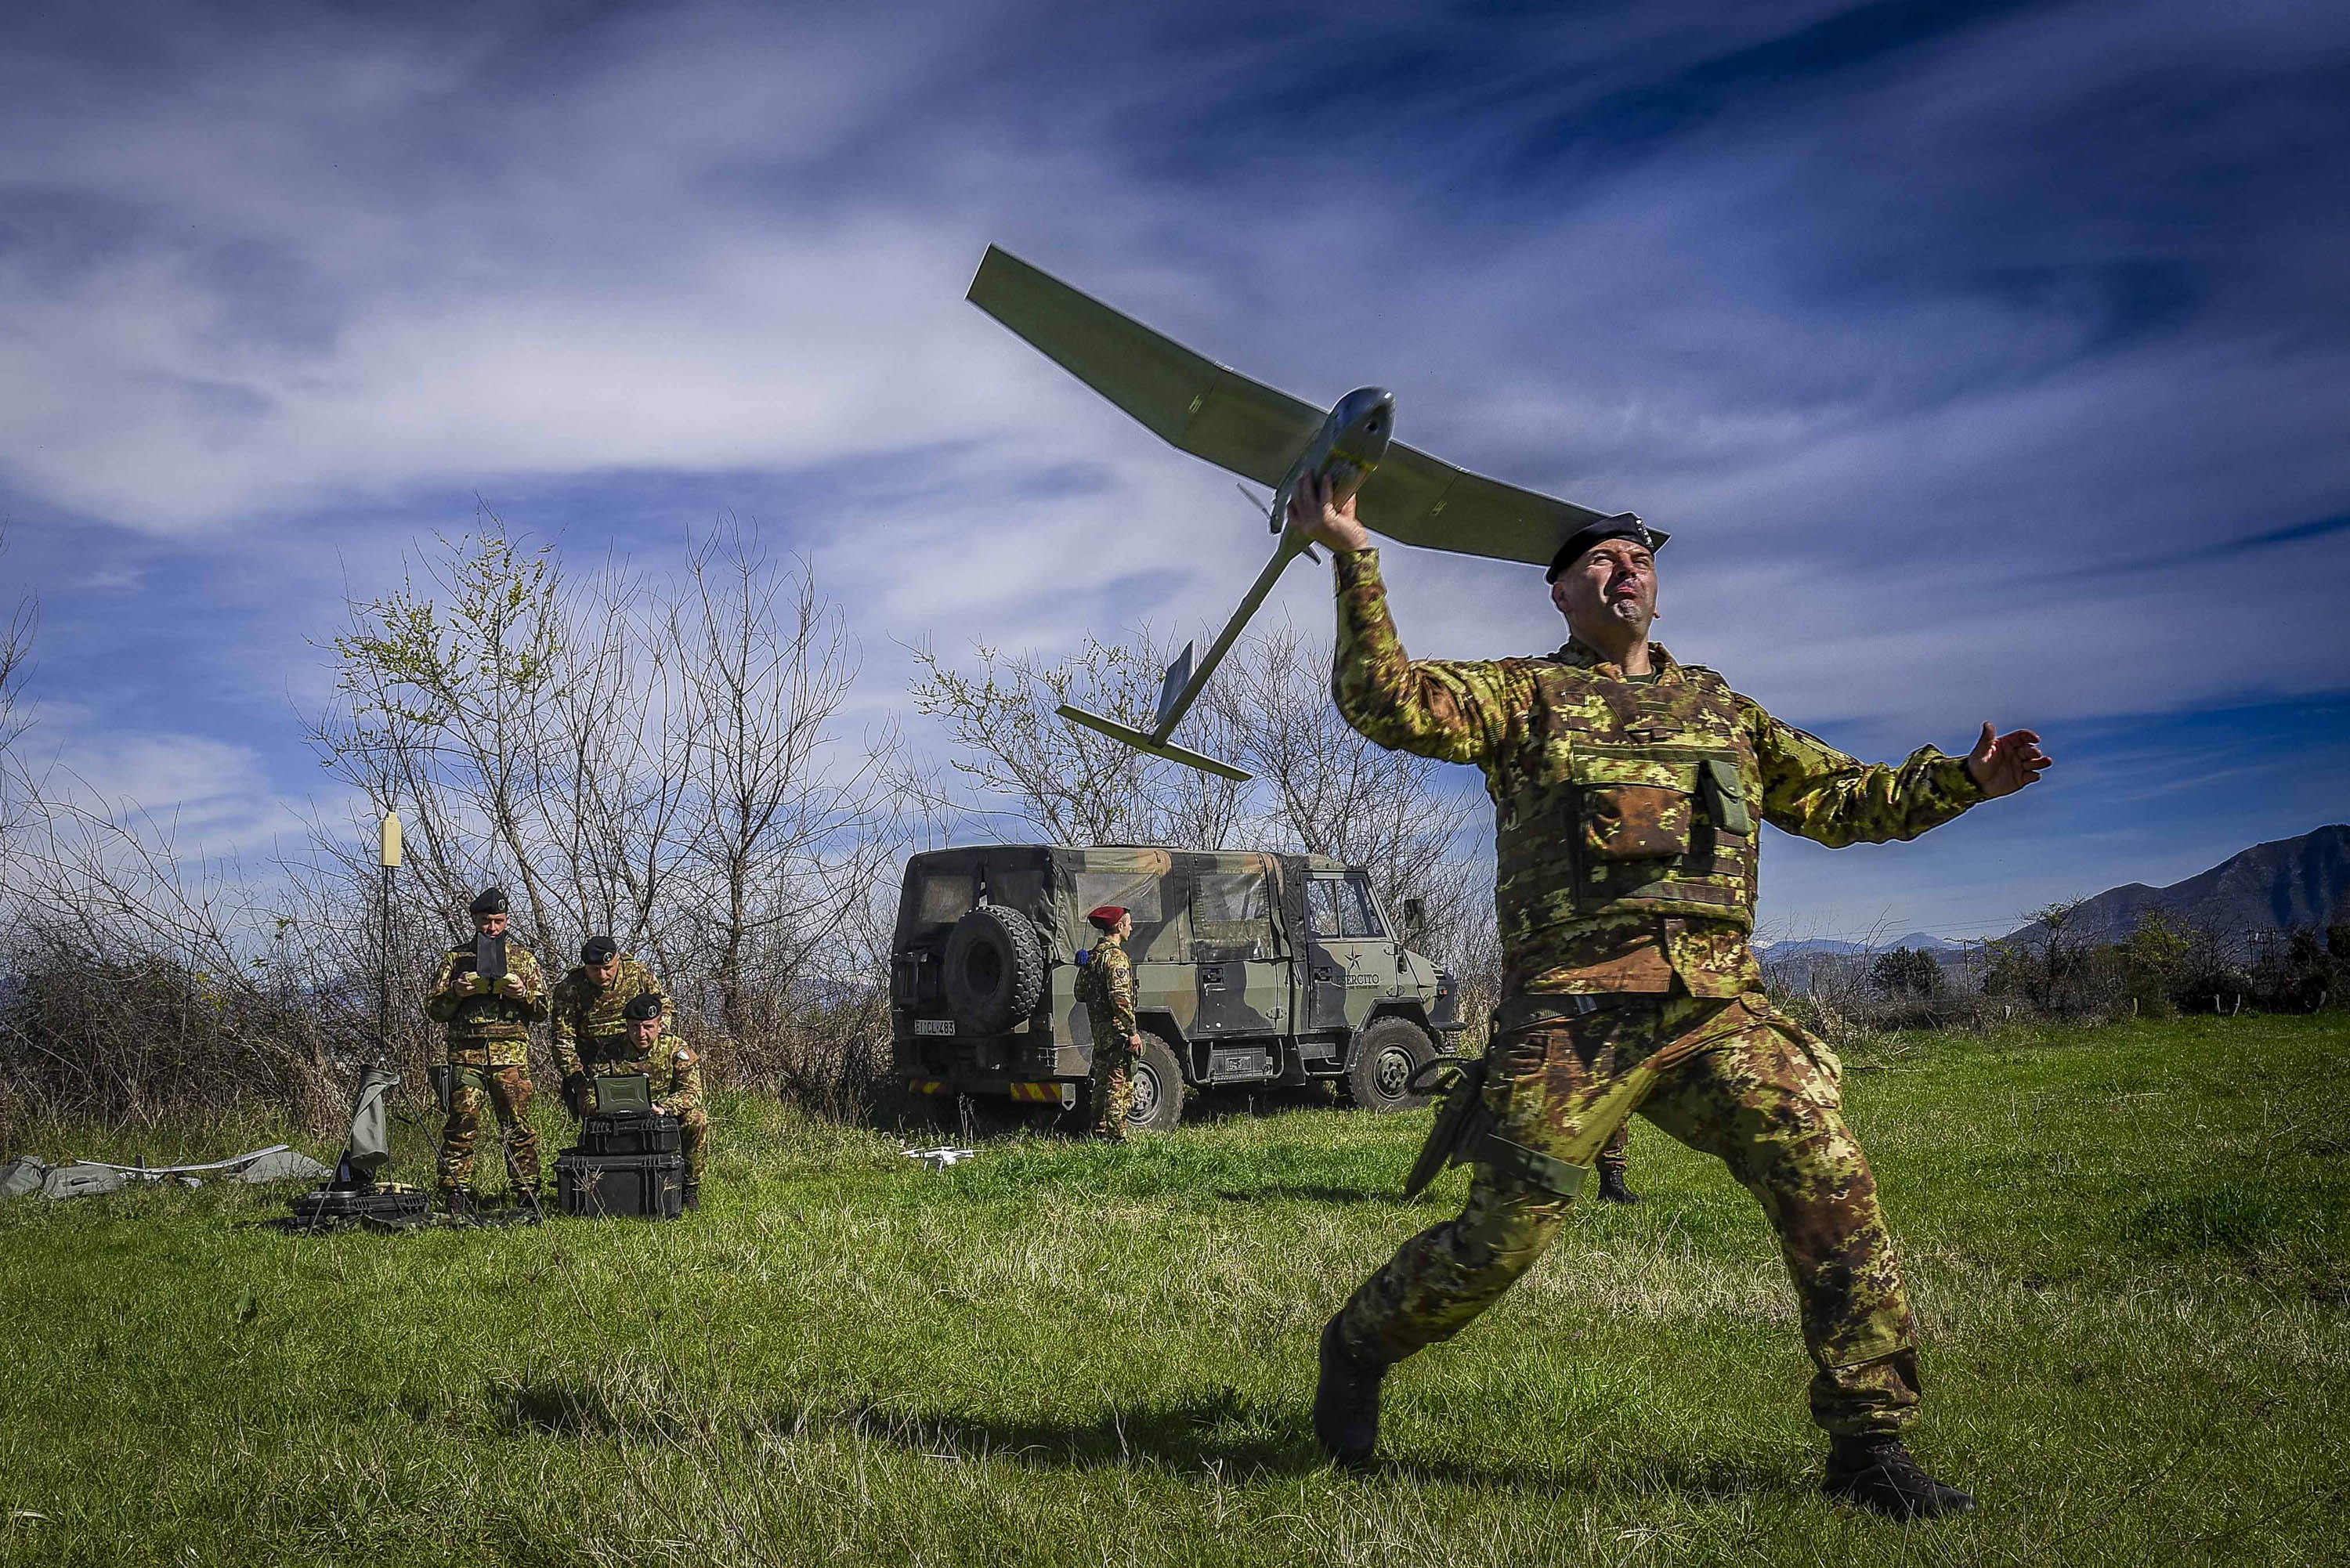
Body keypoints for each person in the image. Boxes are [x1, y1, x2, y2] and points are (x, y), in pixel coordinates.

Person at [1296, 476, 2051, 1519]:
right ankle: (1360, 1341)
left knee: (1828, 1170)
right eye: (1598, 558)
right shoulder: (1527, 696)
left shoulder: (1721, 708)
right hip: (1572, 1019)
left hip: (1715, 1015)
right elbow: (1387, 701)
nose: (1625, 565)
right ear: (1559, 595)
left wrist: (1963, 779)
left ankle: (1869, 1448)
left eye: (1639, 553)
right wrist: (1351, 550)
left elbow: (1840, 800)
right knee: (1497, 1242)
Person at [426, 887, 551, 1215]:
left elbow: (542, 1010)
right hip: (466, 1056)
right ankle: (456, 1193)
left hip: (510, 1059)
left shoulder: (523, 958)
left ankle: (527, 1193)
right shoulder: (455, 959)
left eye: (498, 921)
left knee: (518, 1127)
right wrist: (456, 992)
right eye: (486, 921)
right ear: (475, 921)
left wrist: (522, 993)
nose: (492, 928)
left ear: (506, 920)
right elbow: (435, 1011)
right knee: (461, 1125)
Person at [548, 935, 669, 1118]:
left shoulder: (637, 974)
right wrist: (579, 1081)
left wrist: (656, 1045)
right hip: (594, 1072)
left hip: (640, 1062)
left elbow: (664, 1008)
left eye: (608, 968)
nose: (603, 975)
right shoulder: (571, 988)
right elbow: (562, 1041)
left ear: (617, 960)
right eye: (595, 970)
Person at [611, 991, 708, 1209]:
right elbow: (592, 1088)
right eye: (635, 1027)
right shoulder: (611, 1050)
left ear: (660, 1025)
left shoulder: (676, 1049)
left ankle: (689, 1189)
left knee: (697, 1118)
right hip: (621, 1115)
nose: (641, 1034)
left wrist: (664, 1107)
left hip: (663, 1115)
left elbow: (692, 1092)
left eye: (648, 1027)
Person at [1072, 905, 1144, 1140]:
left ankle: (1099, 1131)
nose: (1131, 927)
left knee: (1101, 1084)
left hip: (1099, 1032)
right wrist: (1132, 1032)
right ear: (1119, 926)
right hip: (1116, 1032)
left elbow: (1080, 993)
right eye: (1128, 923)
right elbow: (1121, 1000)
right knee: (1118, 1083)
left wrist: (1083, 969)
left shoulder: (1094, 957)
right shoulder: (1116, 958)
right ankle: (1117, 1136)